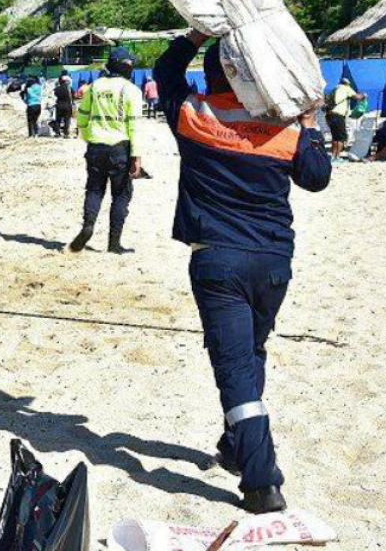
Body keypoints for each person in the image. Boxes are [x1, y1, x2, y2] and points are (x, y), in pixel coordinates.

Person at [154, 32, 331, 514]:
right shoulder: (285, 129)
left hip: (218, 262)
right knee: (250, 354)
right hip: (274, 262)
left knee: (234, 369)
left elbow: (164, 74)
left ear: (211, 78)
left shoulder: (194, 116)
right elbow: (317, 178)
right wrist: (310, 122)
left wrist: (195, 33)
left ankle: (261, 482)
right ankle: (235, 447)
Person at [69, 48, 144, 254]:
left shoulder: (94, 87)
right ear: (128, 68)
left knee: (94, 190)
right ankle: (113, 243)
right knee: (121, 195)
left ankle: (88, 226)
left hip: (95, 147)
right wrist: (136, 156)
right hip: (120, 148)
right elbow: (134, 126)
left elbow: (82, 116)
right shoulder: (131, 90)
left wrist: (88, 138)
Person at [326, 78, 366, 159]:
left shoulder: (335, 88)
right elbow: (357, 97)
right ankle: (337, 157)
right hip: (338, 115)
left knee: (335, 136)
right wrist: (364, 96)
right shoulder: (346, 88)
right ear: (347, 84)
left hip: (329, 114)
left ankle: (333, 156)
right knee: (341, 138)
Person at [53, 74, 75, 138]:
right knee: (67, 120)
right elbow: (74, 96)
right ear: (65, 82)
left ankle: (57, 133)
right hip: (68, 106)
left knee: (58, 120)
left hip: (59, 105)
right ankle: (66, 134)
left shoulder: (57, 89)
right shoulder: (70, 88)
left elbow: (54, 96)